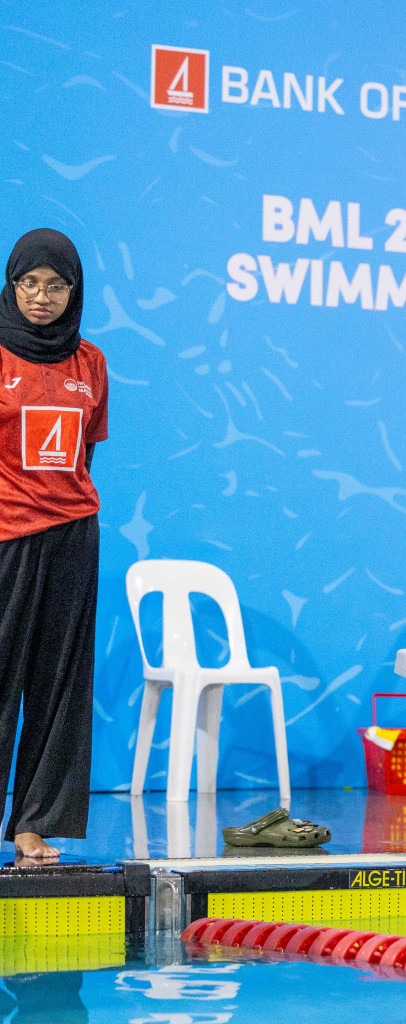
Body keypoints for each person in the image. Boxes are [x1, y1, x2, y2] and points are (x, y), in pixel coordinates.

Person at [0, 229, 108, 862]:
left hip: (71, 537)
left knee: (58, 683)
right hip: (7, 538)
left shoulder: (88, 362)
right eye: (30, 283)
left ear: (75, 292)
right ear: (13, 285)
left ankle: (32, 823)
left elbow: (84, 451)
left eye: (56, 285)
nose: (42, 297)